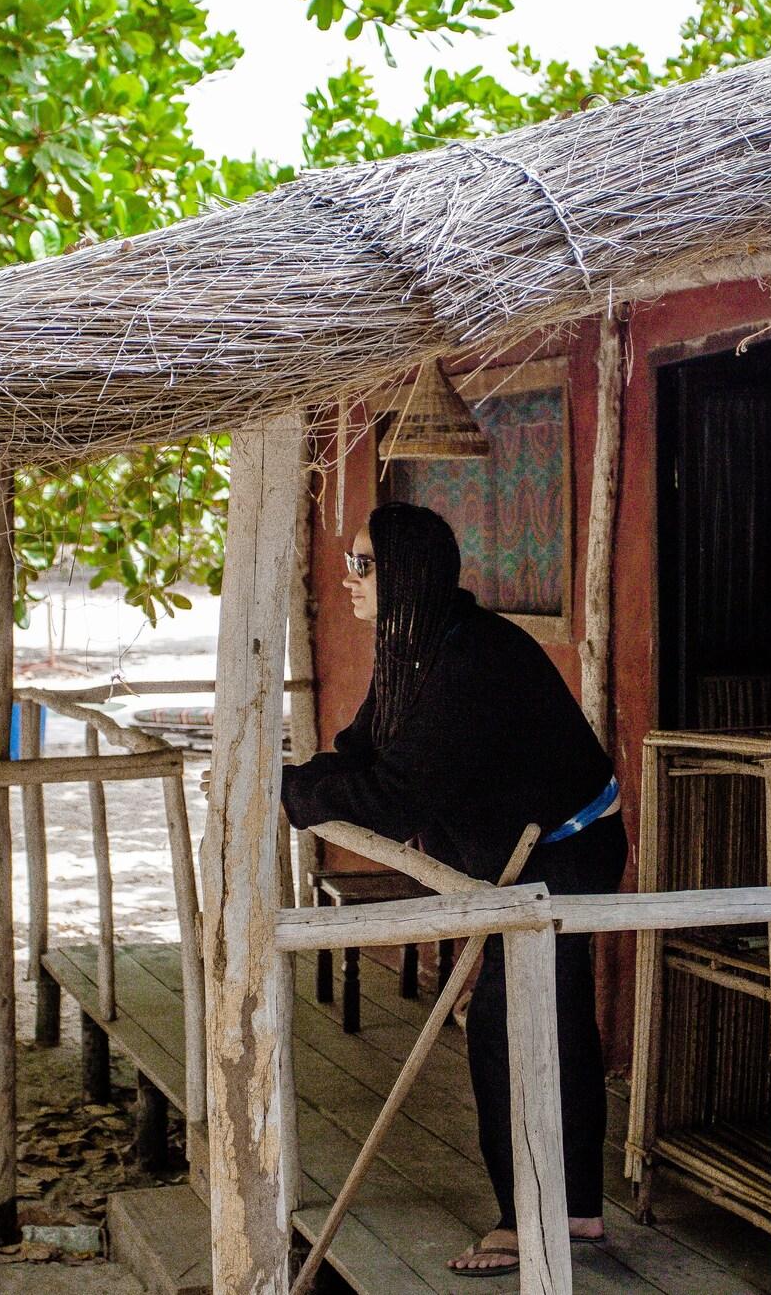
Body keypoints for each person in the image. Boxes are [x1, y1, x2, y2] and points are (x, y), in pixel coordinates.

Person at [281, 501, 626, 1277]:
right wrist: (298, 783)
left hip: (569, 848)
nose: (348, 579)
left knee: (513, 1022)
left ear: (407, 572)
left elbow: (394, 798)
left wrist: (294, 795)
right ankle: (572, 1209)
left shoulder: (471, 660)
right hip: (525, 847)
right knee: (545, 1017)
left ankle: (530, 1219)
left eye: (363, 565)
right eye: (350, 563)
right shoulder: (413, 646)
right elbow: (362, 752)